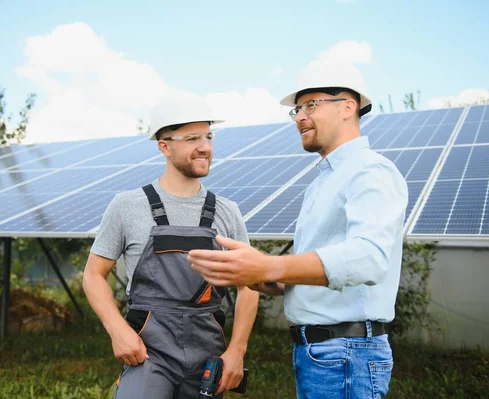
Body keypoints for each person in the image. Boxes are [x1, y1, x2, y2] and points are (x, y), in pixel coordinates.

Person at [188, 61, 408, 398]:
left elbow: (369, 257)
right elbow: (315, 273)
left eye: (310, 105)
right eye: (297, 109)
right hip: (321, 354)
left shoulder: (370, 171)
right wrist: (256, 276)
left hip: (347, 353)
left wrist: (271, 265)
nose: (300, 117)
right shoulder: (323, 181)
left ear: (348, 107)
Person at [83, 90, 259, 398]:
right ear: (164, 146)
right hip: (149, 353)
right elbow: (93, 274)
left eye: (208, 137)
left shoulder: (227, 211)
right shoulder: (127, 206)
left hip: (208, 353)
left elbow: (250, 285)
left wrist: (237, 350)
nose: (204, 147)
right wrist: (117, 330)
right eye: (192, 139)